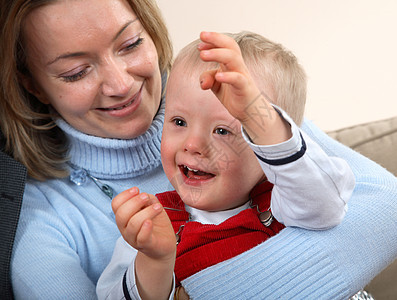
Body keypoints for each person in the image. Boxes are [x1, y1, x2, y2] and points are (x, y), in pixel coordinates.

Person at [0, 0, 397, 299]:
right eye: (76, 72)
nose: (121, 84)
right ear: (32, 84)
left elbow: (395, 214)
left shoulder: (228, 97)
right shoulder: (46, 220)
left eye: (130, 44)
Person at [99, 31, 355, 299]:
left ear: (264, 145)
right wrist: (155, 261)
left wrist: (260, 118)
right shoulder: (153, 224)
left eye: (222, 131)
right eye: (179, 122)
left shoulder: (286, 202)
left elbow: (325, 204)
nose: (193, 144)